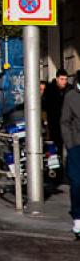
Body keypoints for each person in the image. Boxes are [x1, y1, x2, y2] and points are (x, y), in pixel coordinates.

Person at [60, 71, 80, 237]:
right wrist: (71, 144)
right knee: (77, 182)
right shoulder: (71, 96)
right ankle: (78, 219)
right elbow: (65, 122)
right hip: (76, 146)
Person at [43, 68, 70, 161]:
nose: (64, 82)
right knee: (56, 147)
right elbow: (45, 105)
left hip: (68, 124)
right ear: (57, 79)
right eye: (62, 79)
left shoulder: (69, 89)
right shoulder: (50, 89)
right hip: (54, 124)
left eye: (66, 79)